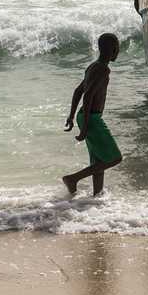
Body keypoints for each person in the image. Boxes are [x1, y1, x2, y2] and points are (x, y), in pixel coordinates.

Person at [61, 33, 124, 196]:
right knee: (114, 158)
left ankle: (97, 197)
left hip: (86, 116)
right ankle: (73, 179)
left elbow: (78, 91)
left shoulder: (93, 66)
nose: (118, 52)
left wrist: (71, 116)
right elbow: (87, 95)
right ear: (113, 49)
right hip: (92, 118)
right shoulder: (103, 69)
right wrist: (86, 126)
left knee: (99, 162)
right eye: (117, 48)